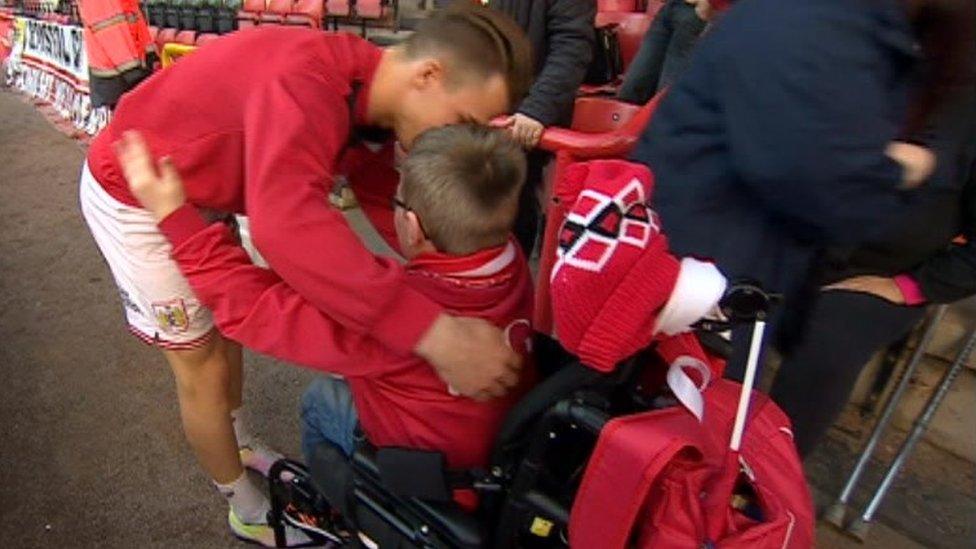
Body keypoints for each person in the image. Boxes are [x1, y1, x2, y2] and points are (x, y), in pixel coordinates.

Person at [78, 5, 533, 545]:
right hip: (142, 191)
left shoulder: (373, 97)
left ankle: (239, 439)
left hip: (202, 187)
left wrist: (450, 278)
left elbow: (385, 199)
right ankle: (242, 506)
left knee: (224, 344)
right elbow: (286, 227)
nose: (460, 138)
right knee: (200, 364)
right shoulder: (306, 82)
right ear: (428, 74)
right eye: (464, 121)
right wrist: (431, 330)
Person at [116, 123, 534, 507]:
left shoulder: (399, 318)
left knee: (319, 401)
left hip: (436, 484)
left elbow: (257, 310)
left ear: (412, 225)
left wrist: (175, 219)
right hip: (493, 454)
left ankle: (341, 508)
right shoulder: (511, 259)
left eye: (396, 195)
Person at [629, 0, 973, 377]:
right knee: (673, 408)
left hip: (741, 260)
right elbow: (814, 181)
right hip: (705, 266)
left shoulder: (868, 31)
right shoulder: (823, 24)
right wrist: (897, 171)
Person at [771, 68, 976, 457]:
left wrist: (906, 287)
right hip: (785, 238)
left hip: (876, 274)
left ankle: (759, 489)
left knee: (825, 342)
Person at [482, 0, 597, 254]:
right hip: (465, 107)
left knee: (508, 208)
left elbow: (571, 48)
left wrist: (536, 110)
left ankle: (510, 280)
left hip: (520, 116)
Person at [617, 0, 708, 105]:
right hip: (669, 8)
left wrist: (708, 5)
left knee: (665, 100)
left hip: (696, 13)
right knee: (630, 93)